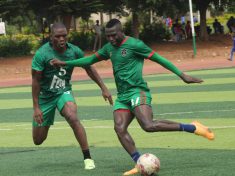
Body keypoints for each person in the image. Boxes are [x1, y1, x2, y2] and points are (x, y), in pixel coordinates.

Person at [50, 19, 215, 176]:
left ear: (122, 31)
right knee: (119, 128)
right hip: (122, 97)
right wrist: (66, 63)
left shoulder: (135, 44)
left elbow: (159, 59)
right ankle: (138, 162)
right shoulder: (109, 48)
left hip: (138, 91)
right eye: (108, 36)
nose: (111, 38)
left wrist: (182, 75)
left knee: (148, 125)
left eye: (114, 35)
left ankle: (192, 127)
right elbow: (91, 59)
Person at [31, 22, 113, 170]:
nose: (62, 39)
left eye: (64, 36)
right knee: (38, 140)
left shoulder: (74, 51)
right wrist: (36, 107)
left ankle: (87, 158)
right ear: (51, 37)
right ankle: (46, 121)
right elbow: (36, 81)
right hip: (45, 97)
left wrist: (103, 87)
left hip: (64, 91)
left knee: (73, 116)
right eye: (58, 36)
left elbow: (89, 67)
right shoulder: (42, 54)